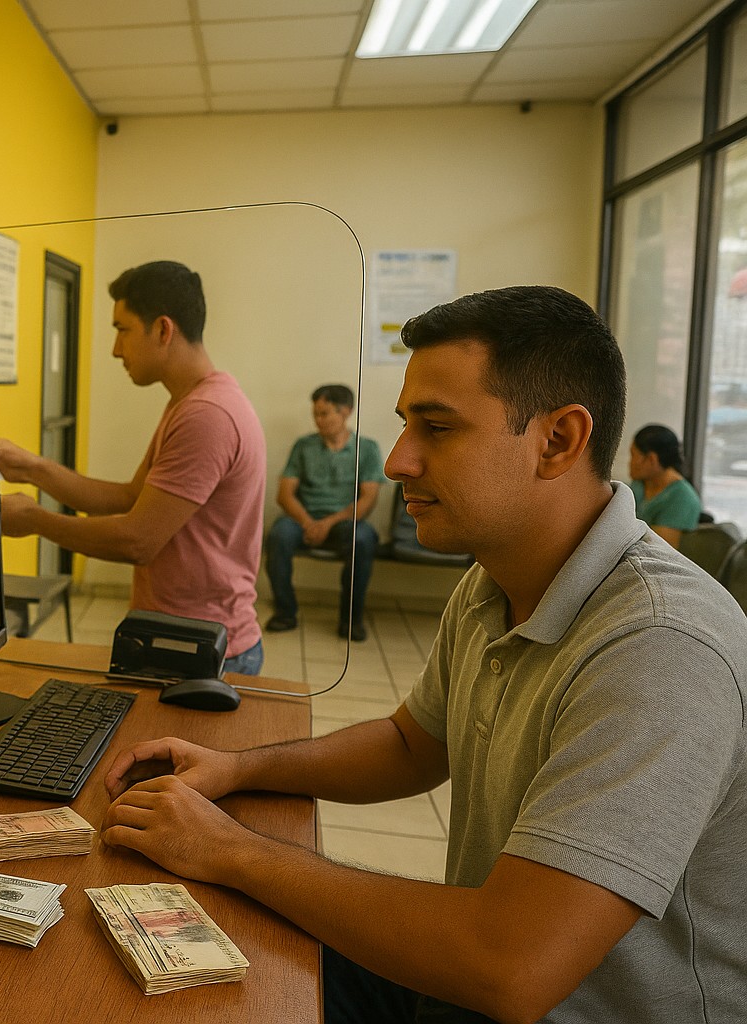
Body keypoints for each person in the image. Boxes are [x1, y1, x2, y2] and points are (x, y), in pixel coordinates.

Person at [101, 285, 747, 1024]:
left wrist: (235, 852)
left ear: (560, 441)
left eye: (437, 428)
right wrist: (239, 770)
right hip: (472, 982)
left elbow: (508, 965)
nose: (399, 461)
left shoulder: (661, 646)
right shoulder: (493, 578)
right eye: (405, 425)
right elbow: (413, 743)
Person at [0, 261, 267, 674]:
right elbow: (131, 499)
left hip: (204, 648)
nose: (116, 349)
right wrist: (33, 468)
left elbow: (138, 540)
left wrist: (37, 521)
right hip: (179, 636)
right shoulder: (190, 401)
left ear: (163, 330)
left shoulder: (207, 415)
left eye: (122, 329)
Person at [264, 383, 386, 641]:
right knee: (278, 535)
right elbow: (284, 494)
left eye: (325, 414)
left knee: (362, 539)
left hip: (344, 520)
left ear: (346, 412)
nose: (319, 421)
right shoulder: (304, 446)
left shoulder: (367, 449)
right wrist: (309, 522)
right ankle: (285, 612)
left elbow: (368, 500)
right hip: (304, 518)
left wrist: (328, 523)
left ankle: (350, 621)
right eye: (316, 414)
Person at [627, 423, 702, 548]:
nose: (630, 463)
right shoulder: (639, 485)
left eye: (633, 455)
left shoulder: (682, 498)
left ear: (652, 459)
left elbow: (657, 550)